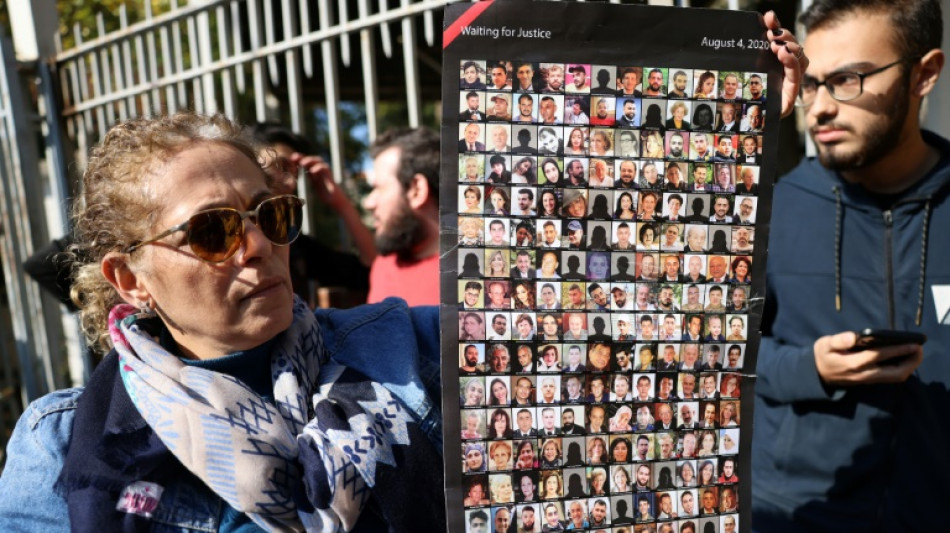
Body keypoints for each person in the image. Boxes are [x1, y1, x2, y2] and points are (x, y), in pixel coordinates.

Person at [0, 114, 445, 531]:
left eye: (271, 215)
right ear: (131, 279)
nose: (257, 245)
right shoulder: (58, 442)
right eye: (213, 232)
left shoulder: (409, 345)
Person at [752, 1, 950, 532]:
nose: (818, 108)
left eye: (847, 80)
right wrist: (809, 369)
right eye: (813, 83)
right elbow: (717, 354)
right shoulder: (772, 209)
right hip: (796, 514)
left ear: (924, 74)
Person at [249, 123, 374, 305]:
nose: (291, 183)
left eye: (295, 172)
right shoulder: (223, 235)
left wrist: (340, 203)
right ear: (248, 164)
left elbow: (368, 269)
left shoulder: (294, 243)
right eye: (281, 166)